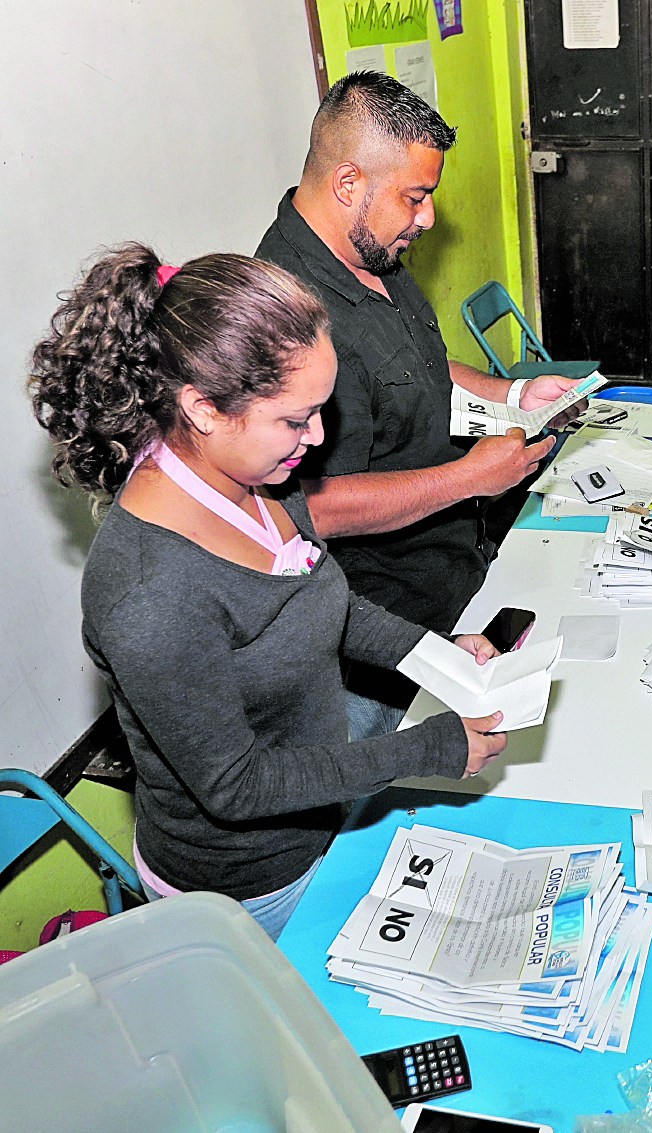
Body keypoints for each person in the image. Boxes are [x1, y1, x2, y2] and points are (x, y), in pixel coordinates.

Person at [29, 245, 508, 940]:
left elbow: (326, 601)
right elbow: (238, 785)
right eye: (295, 418)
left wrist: (434, 654)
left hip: (320, 814)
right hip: (247, 885)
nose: (316, 438)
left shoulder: (254, 483)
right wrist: (424, 751)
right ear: (202, 408)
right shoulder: (150, 591)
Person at [256, 71, 585, 739]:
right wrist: (470, 477)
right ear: (348, 184)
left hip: (458, 574)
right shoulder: (280, 315)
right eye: (415, 197)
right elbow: (300, 510)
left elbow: (416, 365)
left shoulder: (369, 246)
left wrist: (513, 393)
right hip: (378, 637)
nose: (427, 217)